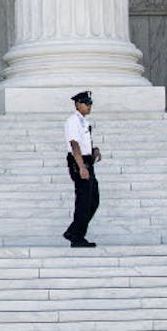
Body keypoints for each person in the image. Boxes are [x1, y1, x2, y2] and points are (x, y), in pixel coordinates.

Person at [63, 90, 100, 247]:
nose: (89, 106)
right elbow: (74, 144)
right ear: (78, 104)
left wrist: (94, 150)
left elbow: (83, 144)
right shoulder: (73, 121)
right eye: (86, 103)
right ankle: (77, 237)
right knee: (84, 202)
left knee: (93, 200)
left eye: (90, 103)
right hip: (79, 162)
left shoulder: (83, 121)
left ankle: (73, 231)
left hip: (86, 161)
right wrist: (81, 167)